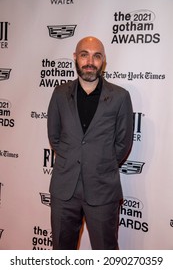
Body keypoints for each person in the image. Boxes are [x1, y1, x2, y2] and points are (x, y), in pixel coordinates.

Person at [47, 36, 133, 250]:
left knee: (106, 253)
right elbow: (54, 136)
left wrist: (100, 162)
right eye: (84, 54)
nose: (90, 62)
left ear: (103, 61)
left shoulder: (120, 97)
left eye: (96, 56)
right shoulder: (59, 94)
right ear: (75, 58)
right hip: (65, 189)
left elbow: (123, 142)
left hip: (103, 189)